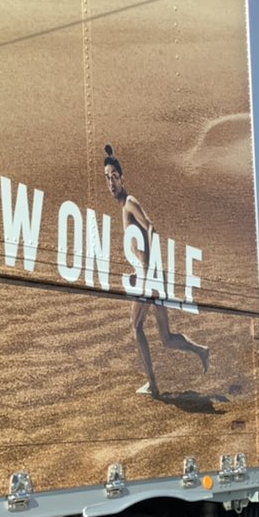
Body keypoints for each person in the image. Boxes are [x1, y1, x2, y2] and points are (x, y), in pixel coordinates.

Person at [103, 144, 209, 397]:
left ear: (123, 178)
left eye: (114, 177)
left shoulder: (130, 203)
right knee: (166, 338)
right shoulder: (124, 207)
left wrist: (147, 270)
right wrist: (140, 269)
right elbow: (140, 246)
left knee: (135, 326)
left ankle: (152, 384)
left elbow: (151, 227)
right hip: (153, 276)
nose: (111, 183)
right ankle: (202, 351)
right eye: (107, 178)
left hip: (150, 278)